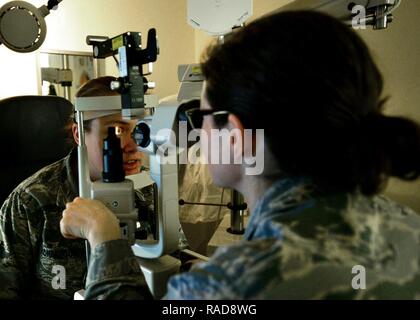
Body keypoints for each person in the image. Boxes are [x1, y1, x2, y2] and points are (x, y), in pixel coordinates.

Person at [60, 11, 420, 299]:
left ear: (237, 136)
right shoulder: (409, 229)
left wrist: (106, 240)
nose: (197, 134)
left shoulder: (228, 286)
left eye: (201, 118)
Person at [0, 76, 153, 299]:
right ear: (79, 133)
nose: (133, 146)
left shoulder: (151, 188)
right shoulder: (29, 202)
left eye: (139, 130)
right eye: (117, 132)